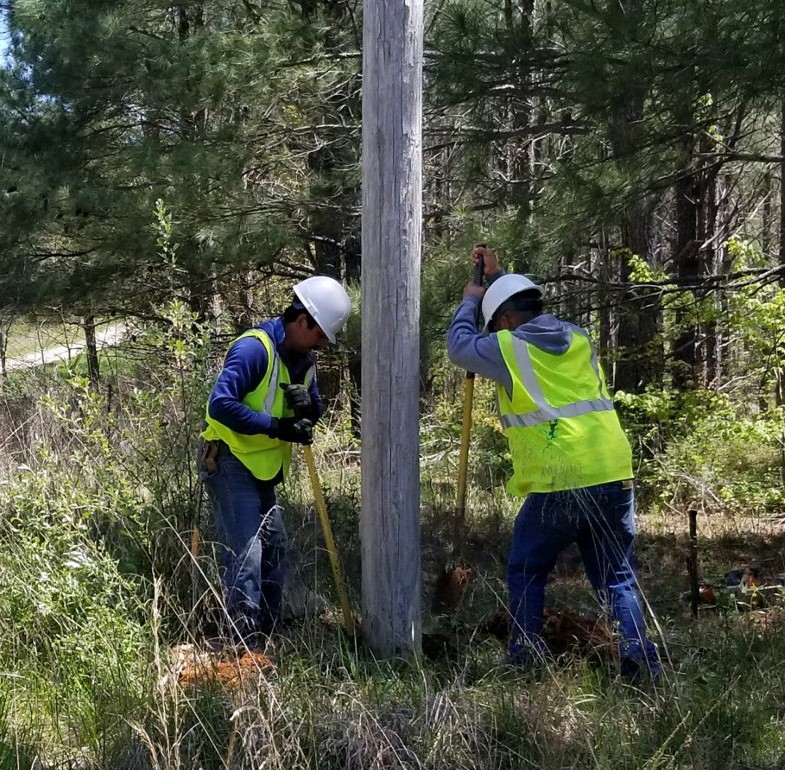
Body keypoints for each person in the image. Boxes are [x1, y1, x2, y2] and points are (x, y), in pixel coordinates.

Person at [447, 245, 660, 680]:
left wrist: (471, 298)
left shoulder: (507, 347)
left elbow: (459, 347)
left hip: (560, 477)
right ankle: (641, 668)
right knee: (617, 578)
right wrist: (500, 280)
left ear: (503, 322)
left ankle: (526, 661)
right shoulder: (578, 338)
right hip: (613, 472)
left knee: (526, 570)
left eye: (497, 322)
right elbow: (521, 315)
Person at [199, 275, 352, 648]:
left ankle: (266, 638)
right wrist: (278, 427)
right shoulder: (255, 350)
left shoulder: (305, 360)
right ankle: (241, 643)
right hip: (231, 461)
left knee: (275, 551)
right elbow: (219, 405)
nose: (322, 345)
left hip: (264, 468)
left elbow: (308, 413)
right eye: (320, 335)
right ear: (302, 321)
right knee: (246, 556)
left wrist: (308, 410)